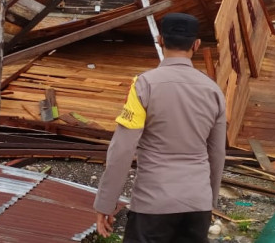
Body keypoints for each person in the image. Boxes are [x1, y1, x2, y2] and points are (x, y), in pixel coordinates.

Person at [94, 13, 226, 242]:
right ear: (196, 45)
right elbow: (217, 153)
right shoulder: (213, 91)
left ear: (160, 40)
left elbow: (122, 150)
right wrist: (209, 201)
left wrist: (106, 202)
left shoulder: (144, 85)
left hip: (152, 205)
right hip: (197, 204)